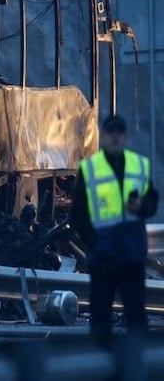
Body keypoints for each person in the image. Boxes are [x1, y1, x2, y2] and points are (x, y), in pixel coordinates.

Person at [70, 114, 158, 348]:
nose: (115, 137)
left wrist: (141, 206)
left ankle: (136, 366)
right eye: (111, 132)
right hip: (104, 257)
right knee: (100, 318)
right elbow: (77, 214)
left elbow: (152, 201)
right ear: (103, 136)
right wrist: (94, 241)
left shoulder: (139, 165)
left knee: (136, 317)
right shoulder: (89, 168)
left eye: (119, 132)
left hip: (131, 255)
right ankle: (101, 367)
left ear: (125, 136)